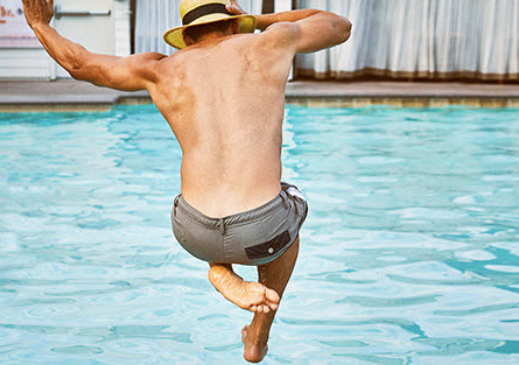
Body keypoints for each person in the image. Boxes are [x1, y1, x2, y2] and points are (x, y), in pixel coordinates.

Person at [21, 0, 351, 362]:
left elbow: (77, 64)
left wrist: (41, 25)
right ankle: (258, 333)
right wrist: (259, 20)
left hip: (191, 230)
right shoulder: (270, 42)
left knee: (214, 209)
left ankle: (218, 268)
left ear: (186, 38)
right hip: (262, 231)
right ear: (232, 25)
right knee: (290, 207)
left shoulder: (160, 70)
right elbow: (338, 24)